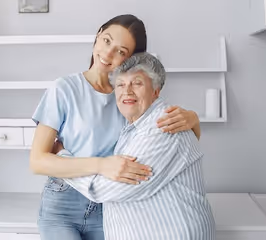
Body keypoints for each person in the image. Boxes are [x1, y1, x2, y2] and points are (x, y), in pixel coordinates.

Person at [30, 14, 202, 240]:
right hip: (63, 205)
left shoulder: (128, 97)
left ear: (132, 60)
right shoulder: (64, 89)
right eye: (107, 40)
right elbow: (38, 161)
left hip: (111, 207)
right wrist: (102, 165)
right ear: (98, 34)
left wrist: (194, 120)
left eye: (121, 51)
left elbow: (174, 141)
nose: (108, 53)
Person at [59, 52, 216, 240]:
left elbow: (106, 188)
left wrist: (60, 160)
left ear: (156, 91)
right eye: (120, 85)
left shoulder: (163, 127)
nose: (127, 91)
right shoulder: (132, 127)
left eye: (137, 83)